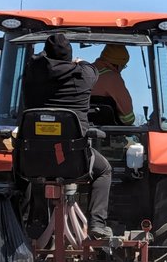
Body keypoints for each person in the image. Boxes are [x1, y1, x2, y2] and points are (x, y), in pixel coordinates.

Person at [21, 33, 114, 239]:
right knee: (104, 170)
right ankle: (97, 223)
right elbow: (91, 68)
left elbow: (35, 62)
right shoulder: (84, 75)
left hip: (34, 159)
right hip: (73, 160)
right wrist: (78, 62)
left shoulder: (30, 72)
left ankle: (23, 221)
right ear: (70, 57)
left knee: (19, 175)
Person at [91, 43, 136, 125]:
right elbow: (127, 118)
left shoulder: (83, 72)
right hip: (108, 133)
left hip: (79, 131)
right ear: (117, 65)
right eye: (123, 66)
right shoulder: (113, 79)